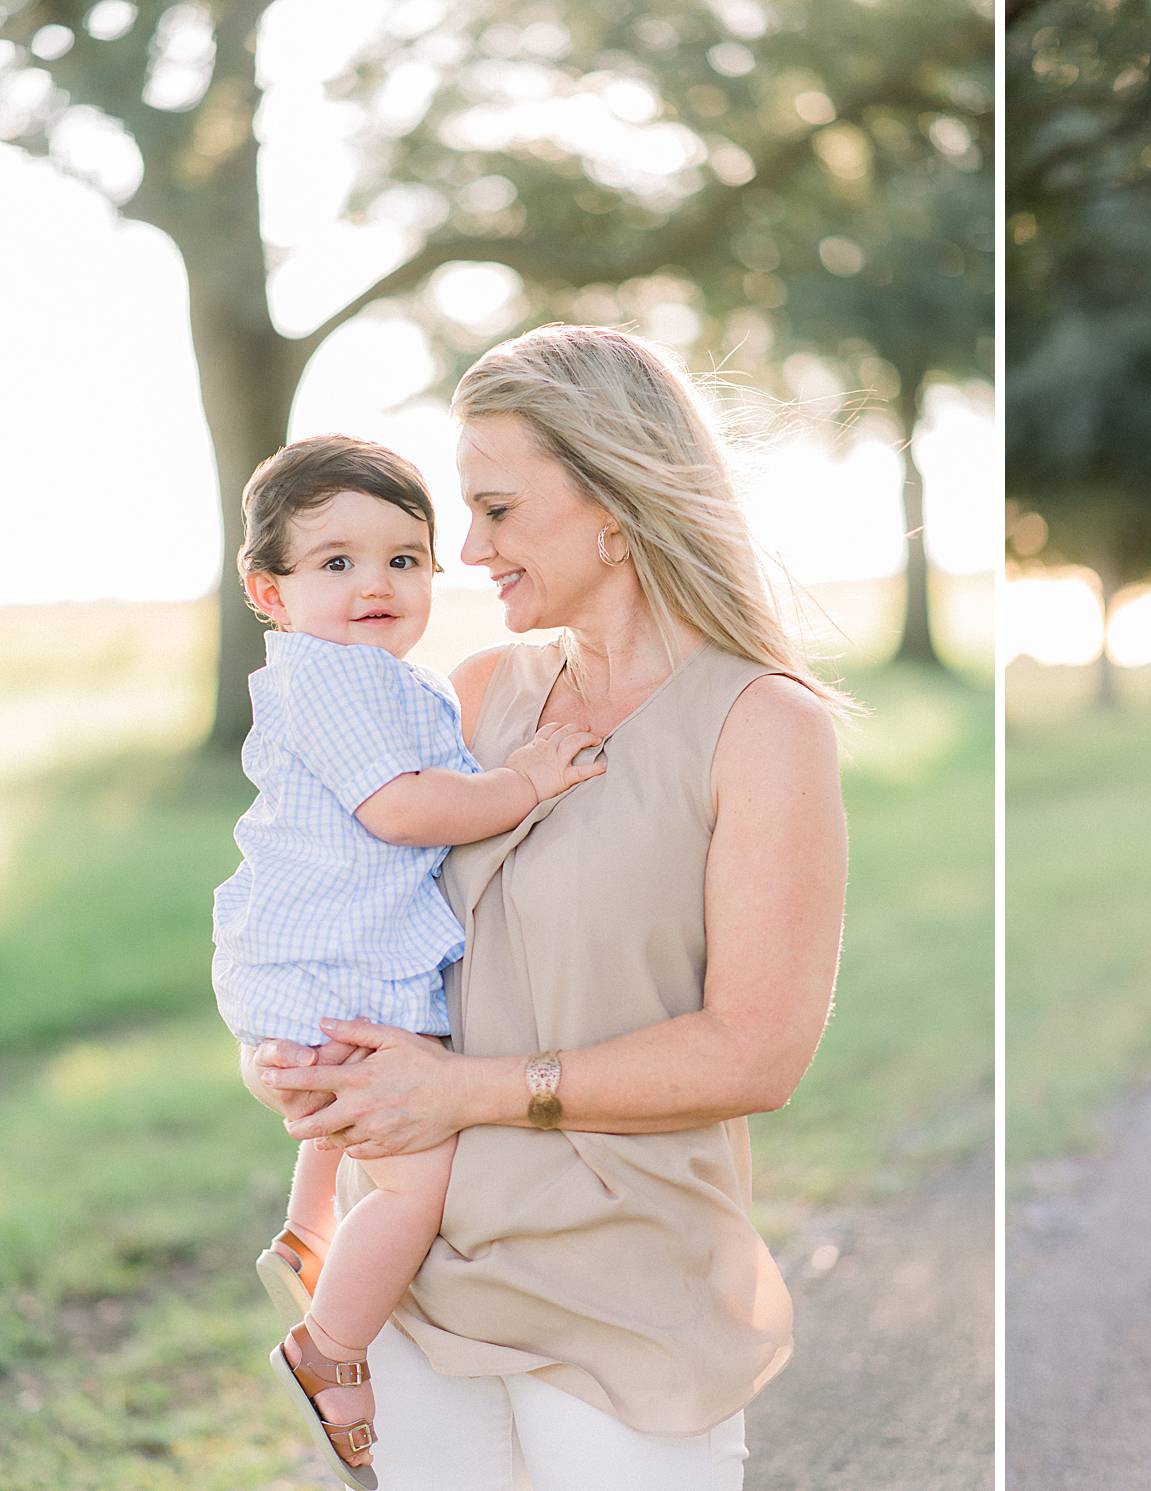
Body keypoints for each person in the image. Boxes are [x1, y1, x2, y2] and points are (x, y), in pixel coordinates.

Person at [242, 324, 849, 1491]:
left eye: (498, 510)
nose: (466, 550)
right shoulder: (469, 699)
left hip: (623, 1297)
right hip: (415, 1289)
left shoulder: (762, 725)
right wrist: (292, 1066)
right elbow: (341, 916)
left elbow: (757, 1053)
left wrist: (464, 1092)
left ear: (615, 501)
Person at [214, 435, 603, 1489]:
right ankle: (328, 1344)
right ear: (270, 589)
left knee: (350, 1114)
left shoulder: (372, 676)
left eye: (403, 557)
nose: (375, 582)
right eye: (334, 563)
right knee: (417, 1177)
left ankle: (306, 1231)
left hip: (325, 957)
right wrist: (522, 783)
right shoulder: (337, 680)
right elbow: (402, 810)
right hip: (335, 964)